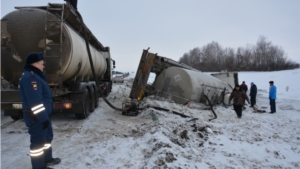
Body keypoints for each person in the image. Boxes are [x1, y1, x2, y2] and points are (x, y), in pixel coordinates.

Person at [18, 52, 61, 169]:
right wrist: (43, 118)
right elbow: (35, 102)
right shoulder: (31, 78)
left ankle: (47, 159)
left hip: (43, 116)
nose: (43, 66)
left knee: (47, 138)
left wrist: (46, 116)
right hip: (37, 117)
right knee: (38, 143)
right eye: (42, 64)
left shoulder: (36, 76)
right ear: (36, 64)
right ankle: (39, 167)